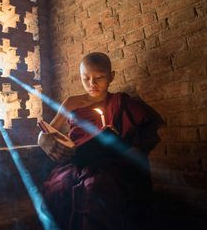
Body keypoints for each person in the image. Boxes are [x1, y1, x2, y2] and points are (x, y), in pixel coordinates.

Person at [38, 52, 162, 230]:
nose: (92, 84)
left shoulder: (119, 102)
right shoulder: (71, 103)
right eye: (85, 78)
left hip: (111, 163)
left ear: (111, 77)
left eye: (99, 77)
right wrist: (42, 139)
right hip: (76, 161)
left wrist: (118, 144)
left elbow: (139, 143)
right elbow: (48, 131)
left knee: (97, 188)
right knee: (60, 187)